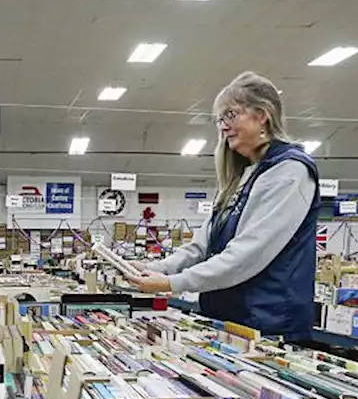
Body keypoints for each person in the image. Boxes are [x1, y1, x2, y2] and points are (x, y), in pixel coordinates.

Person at [131, 71, 319, 339]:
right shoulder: (241, 175)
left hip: (269, 326)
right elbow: (201, 245)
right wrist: (158, 269)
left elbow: (246, 255)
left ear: (262, 114)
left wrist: (173, 283)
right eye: (219, 119)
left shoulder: (290, 172)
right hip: (229, 318)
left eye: (230, 115)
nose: (223, 126)